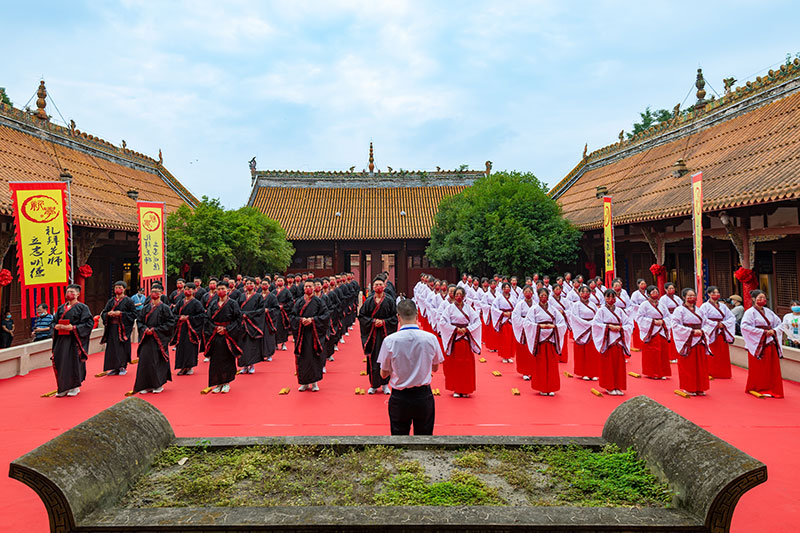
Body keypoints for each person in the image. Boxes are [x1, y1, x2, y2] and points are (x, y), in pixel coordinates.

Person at [378, 299, 444, 435]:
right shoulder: (430, 338)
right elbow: (435, 368)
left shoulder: (390, 341)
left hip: (400, 396)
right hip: (423, 395)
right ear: (417, 315)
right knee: (424, 439)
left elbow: (383, 374)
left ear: (398, 317)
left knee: (399, 439)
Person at [132, 285, 176, 394]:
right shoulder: (146, 308)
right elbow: (139, 321)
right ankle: (146, 384)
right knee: (145, 361)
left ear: (161, 293)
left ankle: (158, 384)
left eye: (157, 291)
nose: (154, 293)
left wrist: (156, 330)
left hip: (159, 339)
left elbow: (170, 323)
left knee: (157, 361)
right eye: (152, 291)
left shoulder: (164, 308)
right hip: (147, 338)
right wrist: (145, 329)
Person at [51, 285, 94, 397]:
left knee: (73, 362)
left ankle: (75, 386)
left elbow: (89, 324)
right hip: (61, 339)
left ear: (78, 294)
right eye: (68, 291)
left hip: (75, 340)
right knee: (61, 361)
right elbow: (53, 322)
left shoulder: (83, 308)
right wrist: (56, 326)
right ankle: (63, 387)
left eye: (72, 291)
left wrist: (73, 328)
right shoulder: (61, 308)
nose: (69, 293)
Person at [523, 287, 567, 395]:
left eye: (545, 295)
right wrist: (539, 326)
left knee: (552, 364)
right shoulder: (533, 309)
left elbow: (562, 323)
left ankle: (551, 387)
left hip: (551, 337)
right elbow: (527, 323)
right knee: (541, 363)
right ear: (538, 296)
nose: (543, 297)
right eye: (541, 295)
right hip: (540, 338)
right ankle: (542, 387)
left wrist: (554, 327)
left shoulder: (554, 310)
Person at [438, 286, 481, 397]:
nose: (458, 297)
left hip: (465, 338)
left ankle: (466, 389)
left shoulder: (468, 308)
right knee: (455, 364)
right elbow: (443, 322)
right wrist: (455, 329)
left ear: (464, 296)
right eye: (456, 294)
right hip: (455, 338)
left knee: (466, 365)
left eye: (460, 295)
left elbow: (477, 321)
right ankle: (456, 389)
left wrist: (467, 329)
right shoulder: (449, 308)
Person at [741, 290, 784, 398]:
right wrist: (763, 332)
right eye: (759, 298)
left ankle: (772, 387)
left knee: (772, 368)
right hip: (758, 344)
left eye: (763, 298)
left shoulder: (769, 312)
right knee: (759, 368)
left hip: (770, 342)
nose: (761, 300)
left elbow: (779, 323)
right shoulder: (749, 312)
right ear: (754, 299)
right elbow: (745, 327)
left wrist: (774, 331)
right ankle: (759, 387)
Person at [358, 278, 398, 394]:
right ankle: (374, 384)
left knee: (385, 359)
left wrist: (384, 322)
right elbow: (362, 316)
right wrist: (373, 322)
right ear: (373, 287)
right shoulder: (369, 301)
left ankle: (385, 384)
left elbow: (394, 318)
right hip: (372, 334)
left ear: (384, 286)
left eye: (380, 284)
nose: (378, 286)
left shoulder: (390, 301)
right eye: (376, 284)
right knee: (373, 359)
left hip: (385, 335)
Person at [670, 288, 711, 396]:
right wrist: (691, 331)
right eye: (689, 296)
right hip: (688, 340)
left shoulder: (699, 310)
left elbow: (706, 323)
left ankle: (701, 387)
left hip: (699, 339)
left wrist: (703, 331)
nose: (692, 298)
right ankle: (689, 387)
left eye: (693, 295)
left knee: (701, 365)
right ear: (684, 297)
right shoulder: (679, 310)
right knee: (688, 365)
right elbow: (675, 325)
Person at [591, 289, 633, 395]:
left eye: (613, 297)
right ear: (604, 298)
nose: (611, 299)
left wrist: (621, 328)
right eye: (608, 297)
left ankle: (618, 386)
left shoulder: (619, 310)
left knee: (619, 363)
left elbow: (628, 323)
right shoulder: (601, 311)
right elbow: (595, 324)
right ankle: (609, 386)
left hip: (618, 339)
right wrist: (608, 327)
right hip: (607, 340)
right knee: (608, 363)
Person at [291, 280, 330, 391]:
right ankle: (304, 382)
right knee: (303, 358)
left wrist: (312, 320)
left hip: (314, 334)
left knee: (314, 358)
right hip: (302, 334)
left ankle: (314, 383)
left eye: (310, 286)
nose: (308, 288)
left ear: (314, 288)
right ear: (304, 288)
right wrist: (301, 320)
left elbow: (326, 316)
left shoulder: (319, 302)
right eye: (306, 286)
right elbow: (293, 317)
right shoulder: (299, 302)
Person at [205, 283, 242, 393]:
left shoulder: (232, 303)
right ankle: (217, 383)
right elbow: (207, 319)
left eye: (222, 289)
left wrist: (226, 329)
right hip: (215, 334)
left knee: (227, 359)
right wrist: (215, 328)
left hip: (228, 335)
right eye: (219, 289)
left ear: (227, 290)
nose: (220, 290)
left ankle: (226, 383)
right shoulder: (213, 304)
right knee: (215, 360)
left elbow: (238, 319)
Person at [100, 281, 136, 375]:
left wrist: (121, 314)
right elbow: (104, 312)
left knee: (122, 347)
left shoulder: (128, 301)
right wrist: (108, 314)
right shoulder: (111, 301)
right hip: (112, 327)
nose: (117, 289)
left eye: (119, 287)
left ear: (124, 289)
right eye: (115, 287)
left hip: (122, 328)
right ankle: (114, 367)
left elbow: (133, 314)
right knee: (112, 347)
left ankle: (122, 366)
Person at [699, 286, 736, 379]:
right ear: (708, 294)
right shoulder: (704, 306)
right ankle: (710, 371)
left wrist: (723, 324)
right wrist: (715, 324)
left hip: (721, 331)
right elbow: (703, 319)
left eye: (717, 293)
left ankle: (723, 373)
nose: (716, 295)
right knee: (712, 351)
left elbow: (732, 317)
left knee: (722, 352)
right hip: (711, 331)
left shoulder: (723, 306)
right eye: (713, 293)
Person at [636, 285, 671, 379]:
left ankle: (662, 372)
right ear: (648, 294)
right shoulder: (644, 305)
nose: (655, 294)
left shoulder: (662, 305)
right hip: (651, 331)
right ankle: (653, 372)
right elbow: (639, 317)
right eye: (653, 292)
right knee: (652, 353)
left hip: (661, 329)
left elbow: (668, 316)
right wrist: (652, 322)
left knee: (662, 352)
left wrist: (663, 321)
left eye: (657, 292)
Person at [171, 282, 206, 375]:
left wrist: (189, 318)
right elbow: (173, 314)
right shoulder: (180, 302)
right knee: (181, 347)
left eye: (190, 289)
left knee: (189, 347)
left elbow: (202, 315)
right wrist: (179, 318)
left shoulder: (196, 303)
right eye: (186, 289)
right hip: (181, 328)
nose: (188, 291)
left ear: (194, 290)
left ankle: (189, 366)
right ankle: (182, 367)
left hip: (191, 329)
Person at [569, 285, 600, 381]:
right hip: (581, 329)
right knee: (582, 352)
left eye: (587, 292)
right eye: (583, 292)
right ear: (579, 293)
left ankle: (593, 372)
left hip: (591, 329)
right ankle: (584, 373)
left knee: (592, 352)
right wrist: (587, 324)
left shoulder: (593, 305)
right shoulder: (576, 305)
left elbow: (597, 316)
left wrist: (592, 324)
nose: (585, 294)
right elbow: (575, 318)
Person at [238, 277, 265, 374]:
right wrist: (241, 315)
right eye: (247, 283)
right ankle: (244, 366)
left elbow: (261, 310)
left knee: (251, 345)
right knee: (242, 345)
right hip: (242, 323)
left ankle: (252, 365)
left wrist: (249, 315)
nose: (249, 285)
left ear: (254, 285)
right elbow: (237, 309)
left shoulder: (258, 296)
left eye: (251, 283)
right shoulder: (241, 296)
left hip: (253, 324)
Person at [511, 285, 536, 380]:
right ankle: (525, 371)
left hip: (533, 329)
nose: (528, 293)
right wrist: (525, 322)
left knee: (533, 351)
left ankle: (533, 370)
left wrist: (533, 324)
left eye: (530, 291)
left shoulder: (536, 304)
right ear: (523, 293)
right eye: (526, 292)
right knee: (524, 351)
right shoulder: (520, 304)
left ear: (533, 293)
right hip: (523, 330)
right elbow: (515, 316)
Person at [491, 282, 516, 363]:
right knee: (504, 338)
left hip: (510, 319)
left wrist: (511, 314)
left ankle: (509, 356)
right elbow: (494, 308)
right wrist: (502, 314)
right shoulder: (499, 298)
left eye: (508, 287)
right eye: (505, 288)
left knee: (510, 339)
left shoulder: (514, 297)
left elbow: (517, 308)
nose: (506, 289)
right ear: (502, 289)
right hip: (503, 320)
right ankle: (504, 356)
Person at [659, 282, 683, 364]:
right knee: (670, 338)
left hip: (677, 318)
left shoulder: (677, 298)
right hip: (669, 319)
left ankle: (678, 355)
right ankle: (671, 356)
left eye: (673, 288)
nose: (672, 290)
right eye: (670, 288)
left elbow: (681, 307)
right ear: (665, 289)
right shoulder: (663, 299)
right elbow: (664, 311)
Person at [260, 279, 280, 362]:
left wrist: (268, 311)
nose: (264, 285)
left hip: (269, 320)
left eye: (266, 284)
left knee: (268, 337)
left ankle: (269, 354)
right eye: (263, 284)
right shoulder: (258, 296)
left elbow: (276, 308)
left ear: (269, 285)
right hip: (260, 320)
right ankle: (260, 354)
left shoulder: (272, 296)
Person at [274, 275, 292, 351]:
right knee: (275, 327)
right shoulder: (273, 291)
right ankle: (275, 344)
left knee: (283, 327)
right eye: (278, 281)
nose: (280, 282)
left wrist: (284, 307)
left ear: (284, 282)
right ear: (276, 282)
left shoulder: (286, 291)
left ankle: (283, 343)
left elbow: (291, 301)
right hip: (275, 312)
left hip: (283, 312)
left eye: (281, 281)